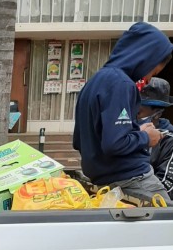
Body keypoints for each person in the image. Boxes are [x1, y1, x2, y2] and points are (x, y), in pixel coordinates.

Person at [73, 22, 173, 205]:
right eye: (152, 71)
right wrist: (146, 137)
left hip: (101, 181)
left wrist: (135, 131)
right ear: (144, 58)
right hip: (132, 180)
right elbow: (115, 144)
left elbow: (79, 140)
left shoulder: (94, 82)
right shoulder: (121, 84)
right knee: (166, 220)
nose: (148, 79)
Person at [137, 77, 173, 201]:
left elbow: (166, 189)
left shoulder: (169, 142)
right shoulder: (128, 136)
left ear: (157, 113)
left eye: (138, 112)